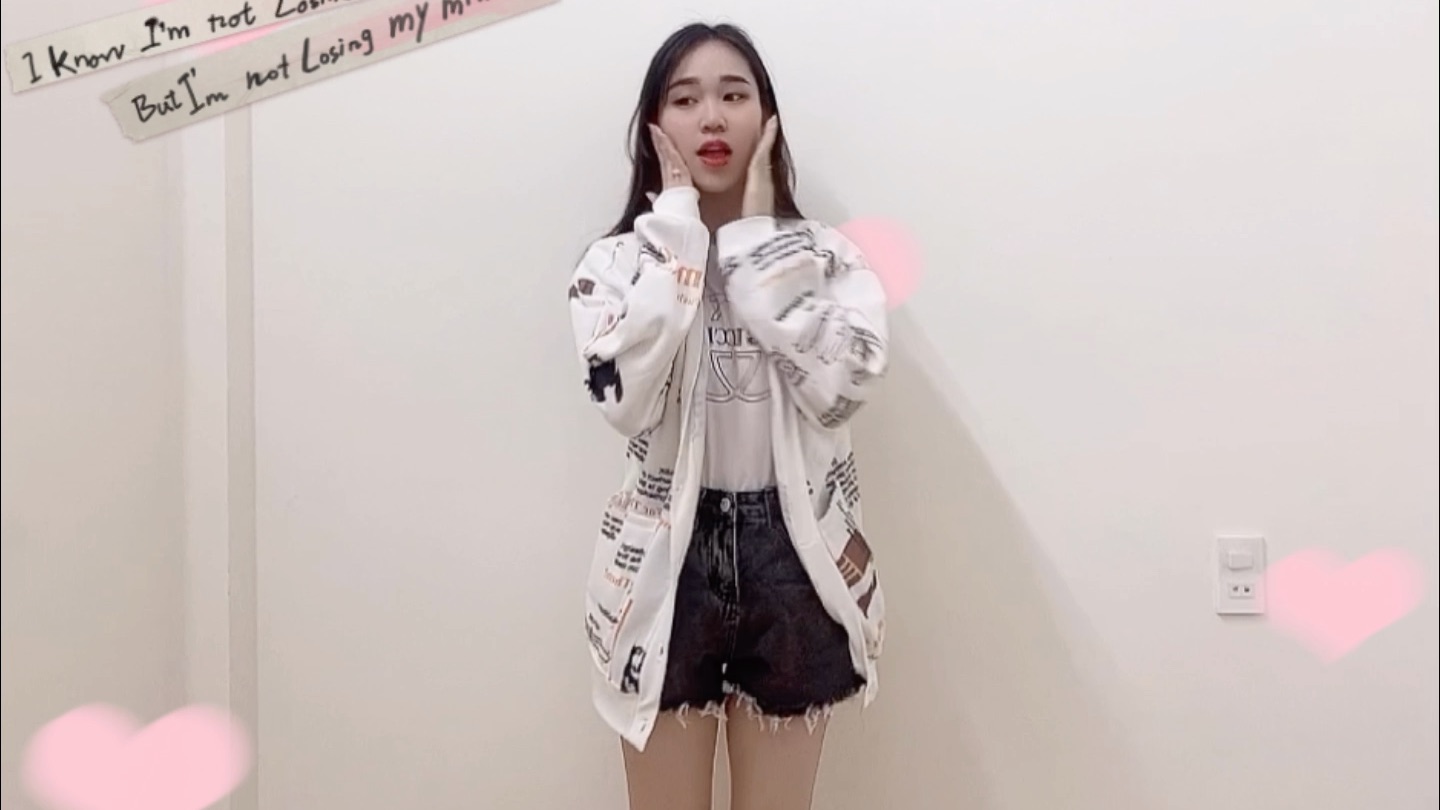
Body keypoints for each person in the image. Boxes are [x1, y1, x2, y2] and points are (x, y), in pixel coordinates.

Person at [566, 21, 890, 810]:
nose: (711, 117)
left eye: (733, 95)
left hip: (796, 556)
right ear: (654, 125)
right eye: (685, 99)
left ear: (767, 118)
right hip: (662, 559)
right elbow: (625, 400)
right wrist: (679, 233)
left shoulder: (827, 257)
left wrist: (755, 248)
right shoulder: (616, 265)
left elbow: (841, 388)